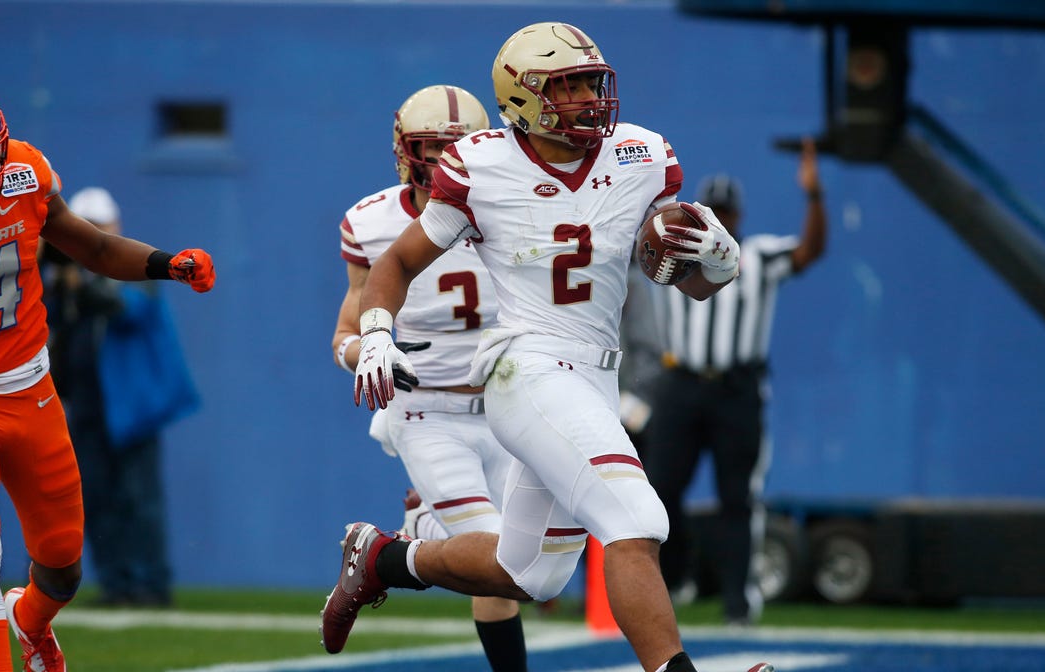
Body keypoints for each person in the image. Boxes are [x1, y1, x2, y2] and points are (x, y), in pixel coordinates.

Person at [321, 23, 771, 672]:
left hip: (594, 378)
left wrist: (717, 265)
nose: (590, 97)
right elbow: (397, 263)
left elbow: (678, 276)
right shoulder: (481, 164)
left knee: (529, 573)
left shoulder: (640, 156)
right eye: (570, 85)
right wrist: (375, 336)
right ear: (523, 96)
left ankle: (384, 558)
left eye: (592, 81)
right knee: (636, 519)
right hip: (525, 368)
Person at [0, 61, 214, 672]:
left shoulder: (21, 171)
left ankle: (29, 622)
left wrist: (164, 263)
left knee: (64, 566)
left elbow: (90, 245)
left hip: (30, 392)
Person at [328, 84, 528, 671]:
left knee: (530, 568)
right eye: (430, 149)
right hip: (427, 412)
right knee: (503, 562)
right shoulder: (370, 222)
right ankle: (408, 540)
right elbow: (345, 329)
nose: (443, 162)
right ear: (403, 150)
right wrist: (367, 353)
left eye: (457, 148)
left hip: (510, 407)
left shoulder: (510, 210)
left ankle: (410, 536)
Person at [632, 140, 827, 625]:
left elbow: (809, 252)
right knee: (660, 491)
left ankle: (739, 600)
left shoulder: (757, 256)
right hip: (680, 384)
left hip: (736, 390)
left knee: (737, 497)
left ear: (736, 218)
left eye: (725, 213)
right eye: (710, 212)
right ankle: (676, 582)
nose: (718, 220)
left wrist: (815, 197)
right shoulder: (669, 256)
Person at [42, 186, 197, 608]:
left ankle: (151, 584)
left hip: (131, 406)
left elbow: (123, 308)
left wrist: (77, 281)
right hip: (88, 402)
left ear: (114, 228)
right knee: (94, 496)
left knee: (138, 498)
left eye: (99, 227)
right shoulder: (64, 279)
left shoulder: (136, 272)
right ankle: (116, 583)